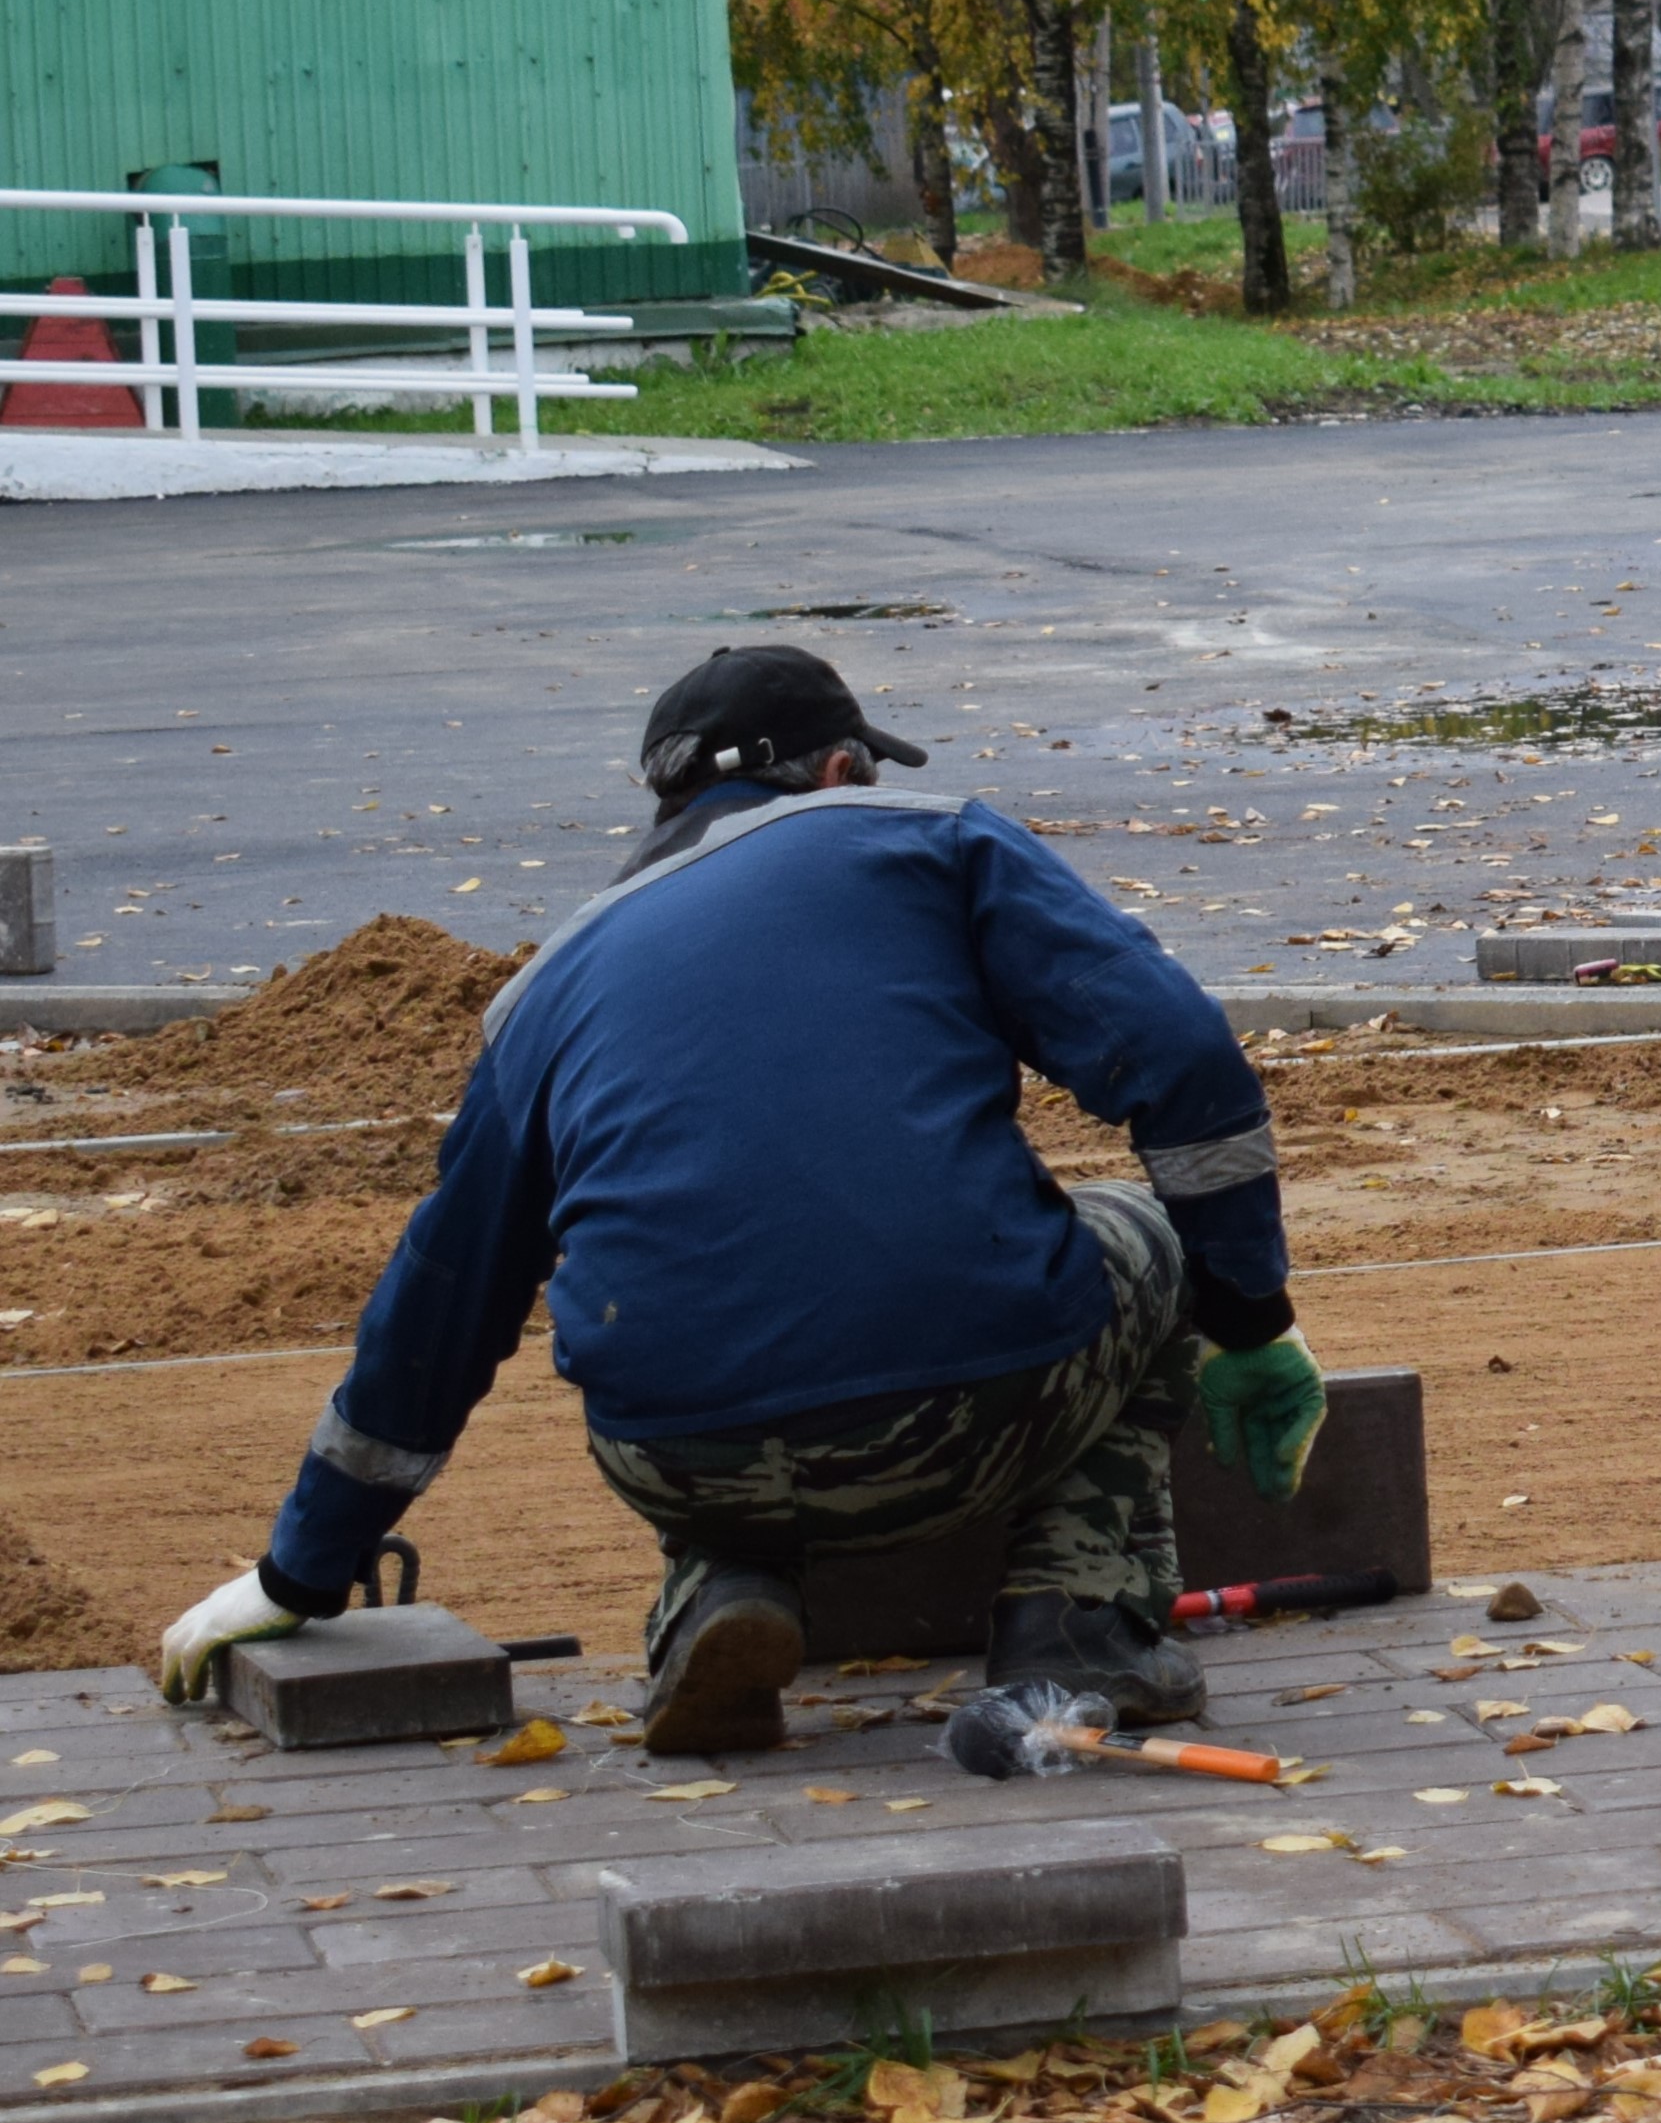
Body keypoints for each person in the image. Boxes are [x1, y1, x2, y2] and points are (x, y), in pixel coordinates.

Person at [152, 647, 1326, 1756]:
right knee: (1156, 1232)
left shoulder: (544, 991)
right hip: (971, 1403)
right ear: (836, 771)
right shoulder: (930, 842)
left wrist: (298, 1572)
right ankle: (1082, 1626)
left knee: (685, 1287)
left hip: (673, 1449)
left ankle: (723, 1587)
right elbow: (1181, 1058)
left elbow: (439, 1304)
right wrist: (1254, 1321)